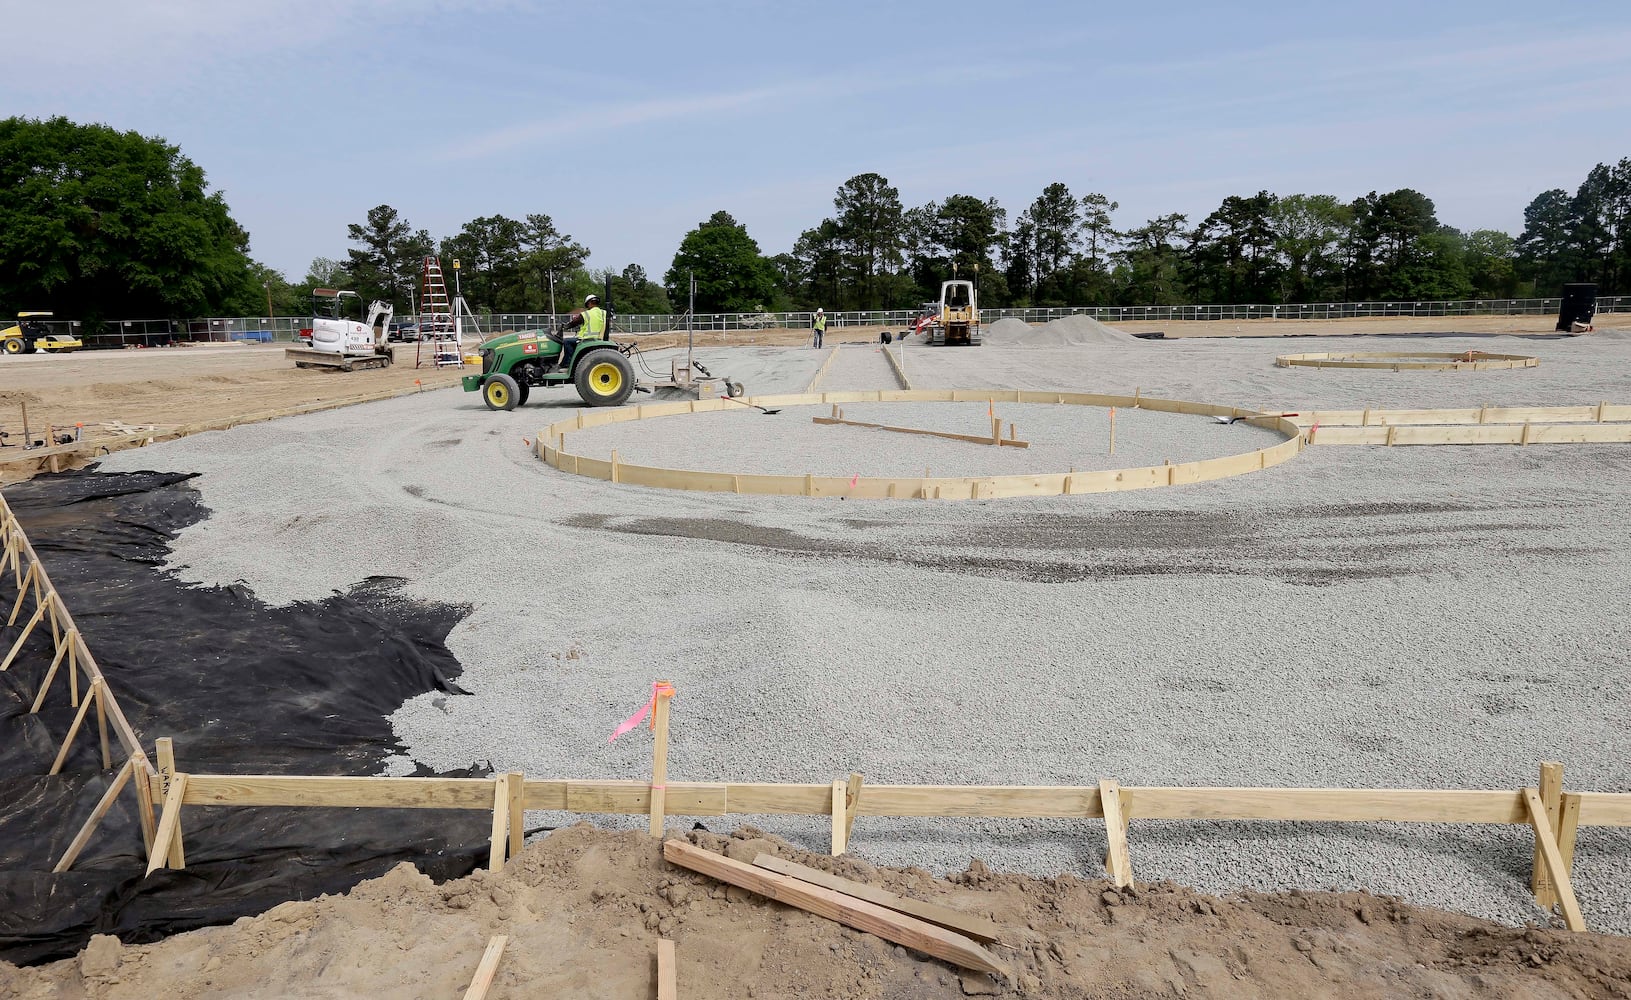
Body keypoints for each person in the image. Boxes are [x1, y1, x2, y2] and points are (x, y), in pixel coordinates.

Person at [548, 294, 607, 372]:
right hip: (598, 338)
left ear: (588, 303)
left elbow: (573, 323)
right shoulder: (604, 313)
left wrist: (565, 326)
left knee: (567, 341)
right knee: (571, 340)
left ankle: (567, 364)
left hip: (586, 339)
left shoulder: (586, 314)